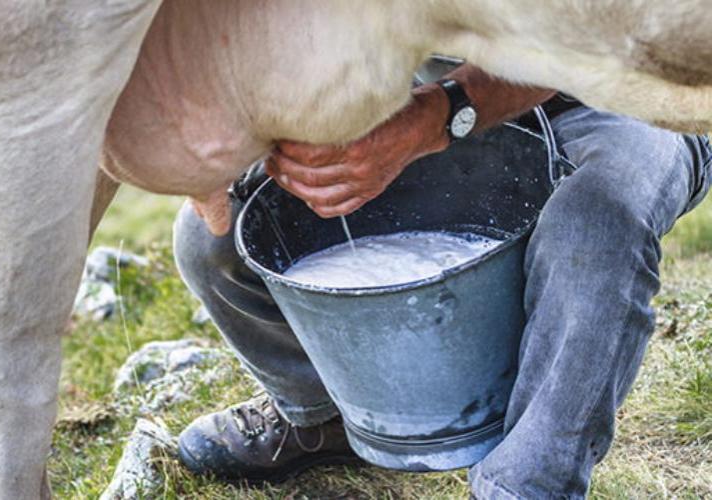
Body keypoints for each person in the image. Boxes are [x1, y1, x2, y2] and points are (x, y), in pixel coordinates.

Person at [172, 61, 712, 498]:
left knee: (595, 227)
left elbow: (594, 37)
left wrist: (433, 119)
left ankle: (526, 484)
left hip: (632, 93)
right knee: (215, 237)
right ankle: (326, 414)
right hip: (420, 82)